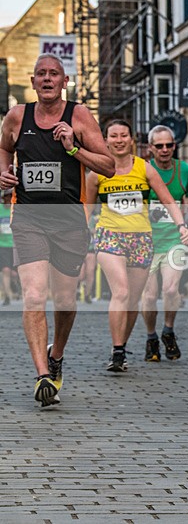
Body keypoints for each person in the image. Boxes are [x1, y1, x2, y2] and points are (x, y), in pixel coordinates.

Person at [0, 53, 115, 407]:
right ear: (33, 82)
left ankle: (57, 354)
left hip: (69, 221)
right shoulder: (17, 116)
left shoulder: (78, 115)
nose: (47, 79)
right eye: (40, 74)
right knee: (34, 295)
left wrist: (74, 147)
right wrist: (3, 174)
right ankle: (42, 376)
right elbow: (3, 148)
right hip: (29, 218)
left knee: (65, 300)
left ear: (65, 82)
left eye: (54, 74)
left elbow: (109, 166)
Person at [86, 119, 188, 372]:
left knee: (132, 299)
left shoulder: (144, 169)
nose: (119, 140)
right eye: (114, 136)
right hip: (109, 235)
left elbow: (167, 199)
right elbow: (86, 209)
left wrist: (181, 225)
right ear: (106, 140)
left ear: (131, 139)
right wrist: (79, 235)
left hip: (141, 238)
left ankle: (122, 345)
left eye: (124, 135)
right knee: (120, 292)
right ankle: (117, 350)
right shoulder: (97, 173)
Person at [140, 125, 188, 362]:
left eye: (169, 145)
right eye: (159, 146)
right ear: (150, 148)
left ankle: (168, 330)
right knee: (150, 295)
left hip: (174, 239)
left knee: (171, 289)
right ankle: (151, 336)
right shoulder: (143, 170)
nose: (165, 150)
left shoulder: (184, 170)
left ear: (174, 146)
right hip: (148, 241)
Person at [0, 190, 14, 306]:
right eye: (6, 197)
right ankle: (7, 296)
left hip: (17, 245)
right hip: (3, 245)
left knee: (19, 272)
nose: (8, 200)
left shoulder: (15, 210)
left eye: (10, 197)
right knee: (6, 270)